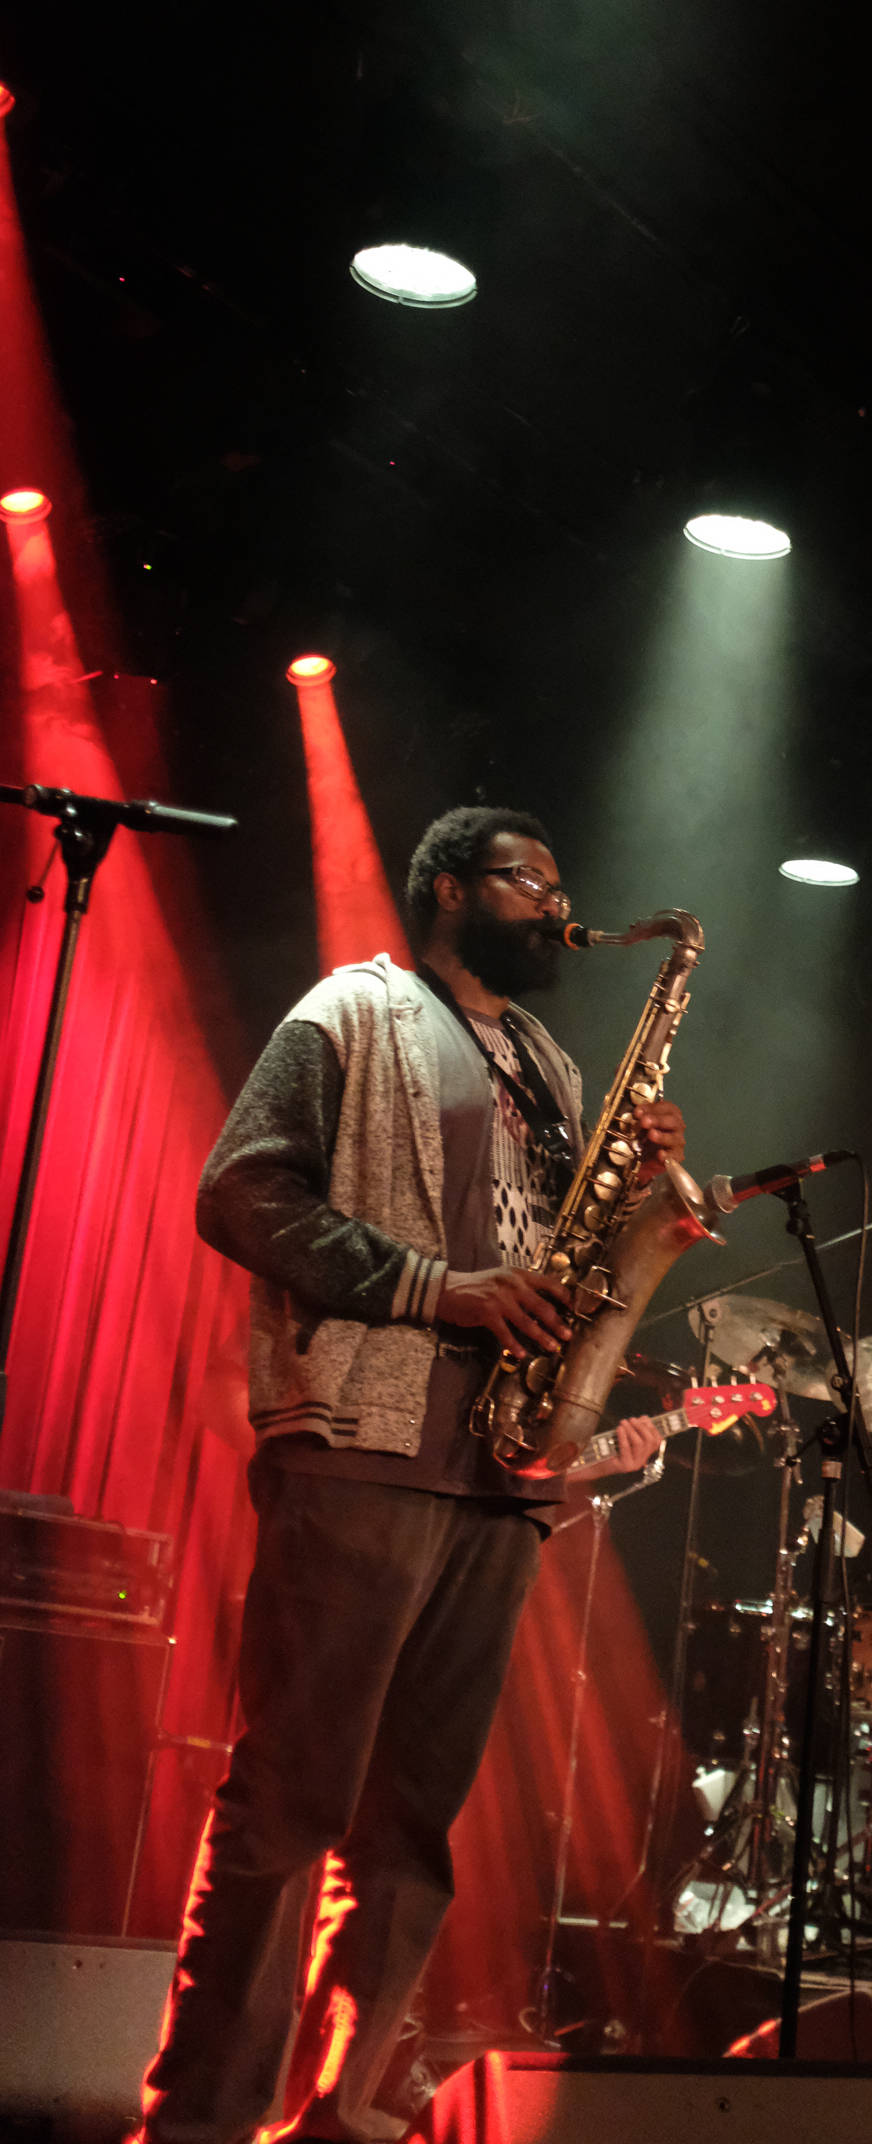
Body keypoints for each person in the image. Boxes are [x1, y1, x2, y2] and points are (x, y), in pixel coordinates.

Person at [141, 807, 706, 2144]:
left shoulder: (553, 1063)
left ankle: (338, 2116)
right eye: (528, 881)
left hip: (504, 1469)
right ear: (449, 888)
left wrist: (646, 1183)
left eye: (560, 883)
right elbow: (240, 1192)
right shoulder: (352, 1010)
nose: (556, 904)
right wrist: (434, 1288)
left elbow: (566, 1246)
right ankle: (200, 2122)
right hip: (366, 1441)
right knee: (292, 1799)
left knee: (412, 1829)